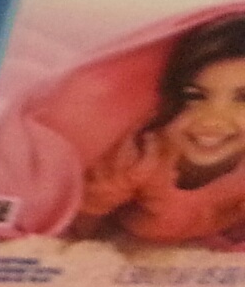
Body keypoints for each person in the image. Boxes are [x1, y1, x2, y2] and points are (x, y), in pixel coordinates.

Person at [74, 13, 245, 247]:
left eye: (243, 99)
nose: (213, 120)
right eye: (194, 96)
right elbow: (81, 221)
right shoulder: (142, 153)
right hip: (126, 243)